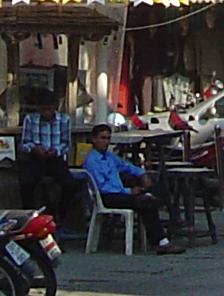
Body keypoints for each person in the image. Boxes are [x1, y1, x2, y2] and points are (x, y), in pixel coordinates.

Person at [79, 124, 175, 254]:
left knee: (159, 187)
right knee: (145, 203)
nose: (106, 142)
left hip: (119, 192)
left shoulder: (109, 156)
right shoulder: (92, 161)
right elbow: (103, 187)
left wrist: (142, 174)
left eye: (108, 138)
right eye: (102, 138)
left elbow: (126, 166)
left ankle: (165, 232)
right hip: (107, 196)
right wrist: (128, 191)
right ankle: (161, 241)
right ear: (94, 139)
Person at [14, 88, 74, 217]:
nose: (46, 112)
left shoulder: (64, 120)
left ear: (55, 107)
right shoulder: (30, 119)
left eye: (49, 109)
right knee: (26, 182)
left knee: (69, 184)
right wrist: (34, 148)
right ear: (38, 108)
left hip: (55, 159)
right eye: (43, 109)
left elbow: (66, 143)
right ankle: (28, 214)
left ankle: (59, 214)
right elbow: (25, 143)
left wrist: (56, 150)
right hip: (35, 159)